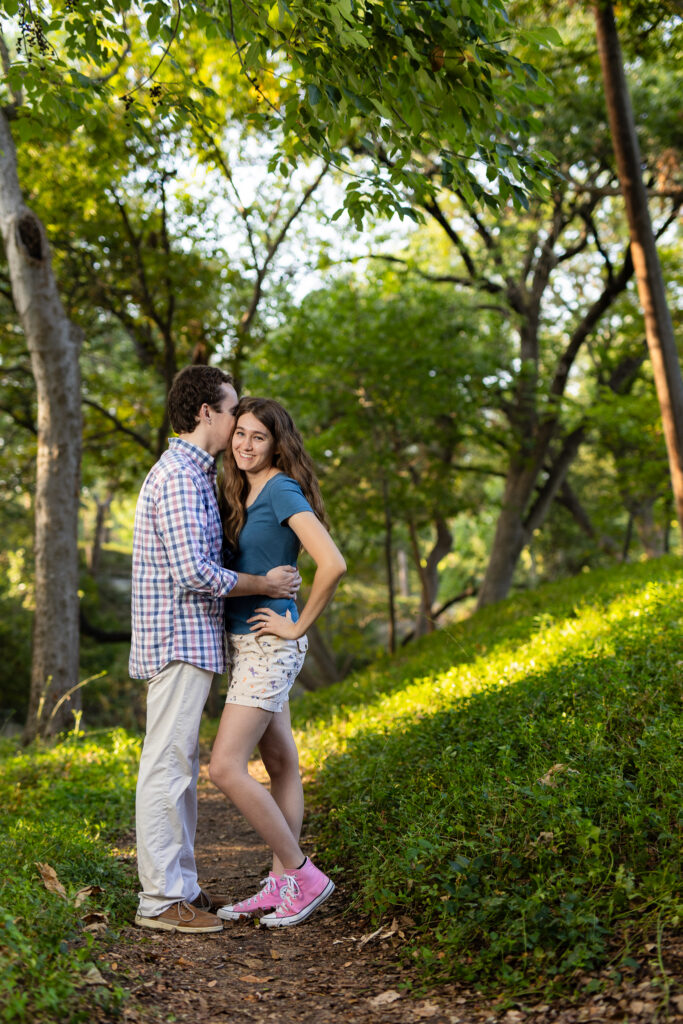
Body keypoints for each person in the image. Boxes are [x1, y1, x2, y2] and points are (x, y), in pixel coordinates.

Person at [130, 367, 301, 934]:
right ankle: (160, 900)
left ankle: (182, 887)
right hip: (177, 639)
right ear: (207, 412)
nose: (236, 426)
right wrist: (265, 586)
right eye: (231, 412)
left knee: (179, 766)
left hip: (194, 642)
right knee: (167, 767)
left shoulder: (197, 474)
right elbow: (194, 572)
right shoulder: (180, 477)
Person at [209, 397, 346, 928]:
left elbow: (332, 562)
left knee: (223, 766)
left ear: (276, 443)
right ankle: (281, 884)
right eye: (239, 433)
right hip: (249, 642)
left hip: (270, 643)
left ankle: (303, 873)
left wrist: (296, 624)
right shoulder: (243, 490)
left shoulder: (282, 488)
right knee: (282, 763)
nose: (245, 444)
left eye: (257, 437)